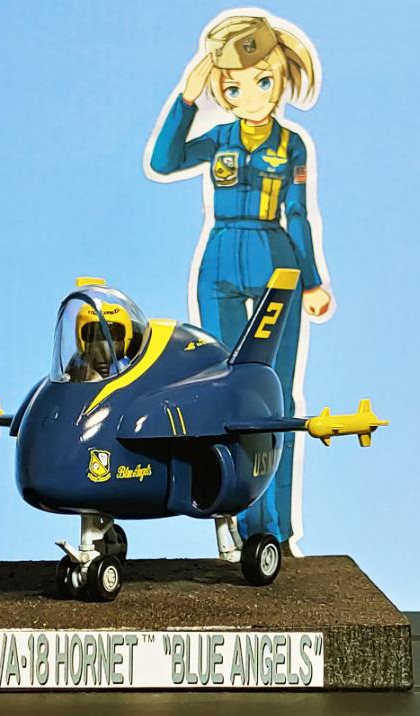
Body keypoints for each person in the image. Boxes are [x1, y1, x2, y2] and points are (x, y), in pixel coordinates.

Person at [147, 13, 332, 551]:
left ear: (280, 78)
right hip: (221, 258)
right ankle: (243, 517)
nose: (249, 95)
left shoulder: (292, 145)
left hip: (277, 260)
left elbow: (298, 214)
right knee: (229, 391)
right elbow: (164, 160)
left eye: (262, 80)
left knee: (274, 393)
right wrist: (186, 98)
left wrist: (312, 281)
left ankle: (274, 531)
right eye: (232, 86)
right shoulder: (218, 138)